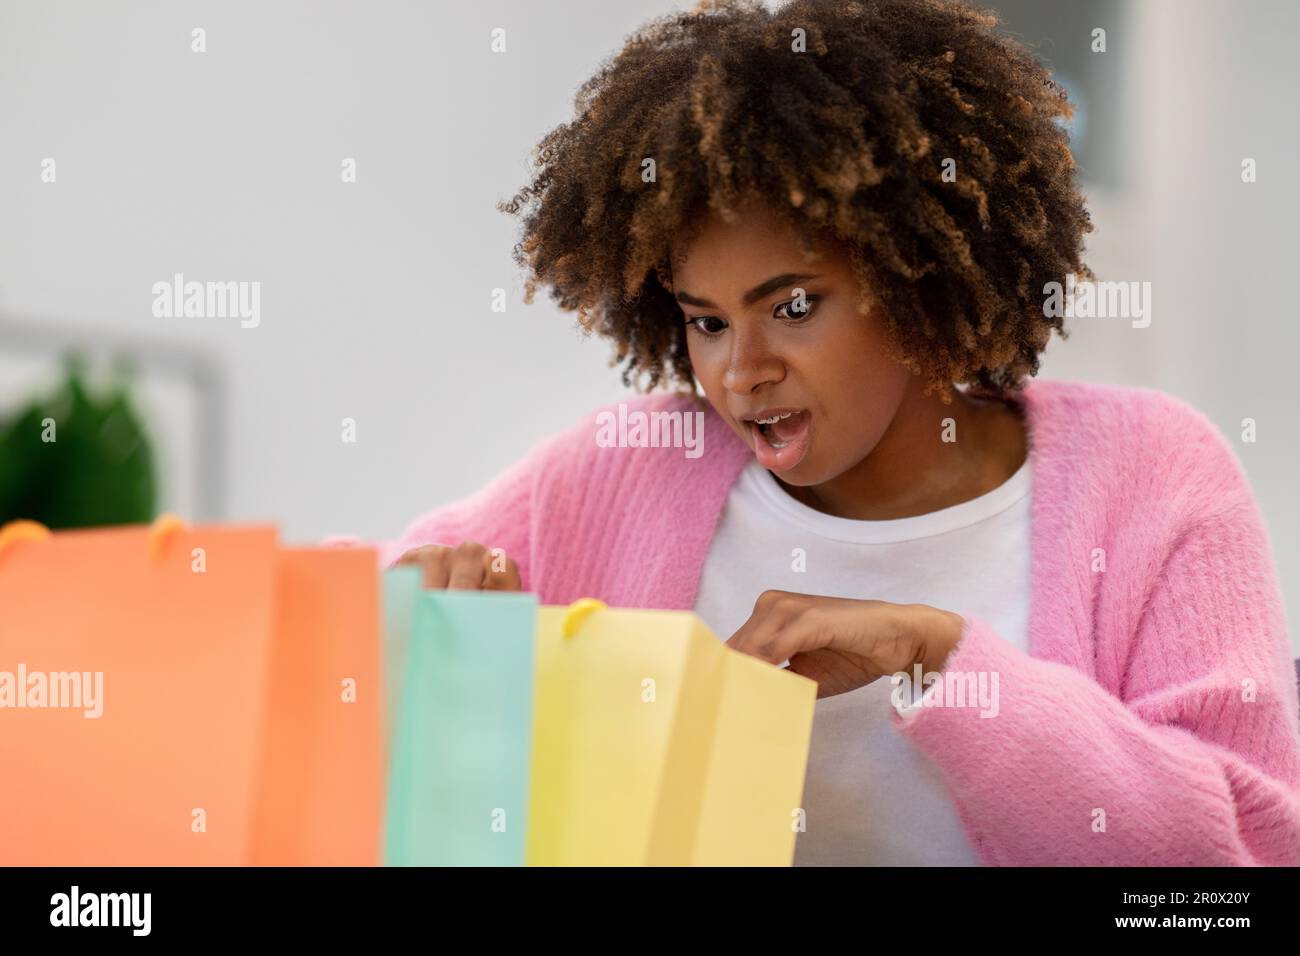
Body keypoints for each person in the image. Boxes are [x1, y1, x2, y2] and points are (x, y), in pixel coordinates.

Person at [381, 0, 1300, 865]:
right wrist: (414, 613)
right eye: (706, 321)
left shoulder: (1150, 476)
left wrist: (938, 657)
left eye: (792, 306)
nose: (741, 372)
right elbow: (330, 634)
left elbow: (1242, 863)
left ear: (920, 280)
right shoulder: (624, 471)